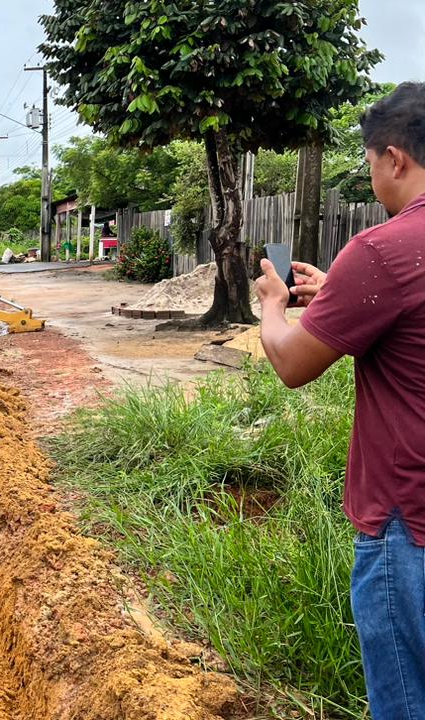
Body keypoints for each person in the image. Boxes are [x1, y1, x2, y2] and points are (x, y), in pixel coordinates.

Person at [254, 82, 425, 718]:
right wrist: (340, 295)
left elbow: (293, 363)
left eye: (371, 162)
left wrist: (273, 306)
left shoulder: (381, 250)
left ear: (394, 158)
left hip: (405, 522)